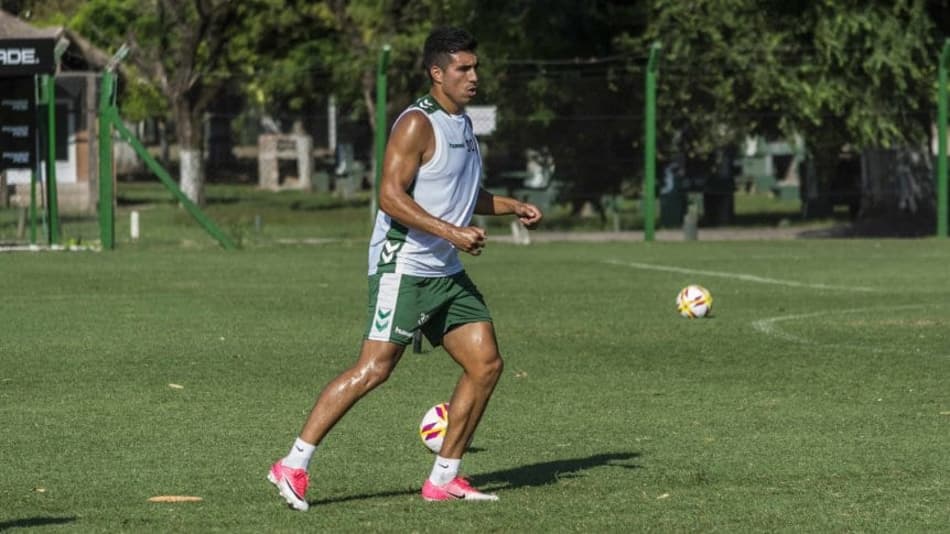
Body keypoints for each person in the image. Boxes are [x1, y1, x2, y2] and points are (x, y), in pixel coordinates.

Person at [268, 26, 543, 511]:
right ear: (438, 73)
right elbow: (390, 196)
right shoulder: (417, 123)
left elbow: (462, 197)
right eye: (463, 68)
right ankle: (292, 463)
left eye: (475, 66)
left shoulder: (463, 124)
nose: (474, 76)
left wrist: (511, 205)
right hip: (405, 265)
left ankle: (444, 477)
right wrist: (452, 233)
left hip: (444, 269)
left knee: (485, 364)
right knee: (374, 369)